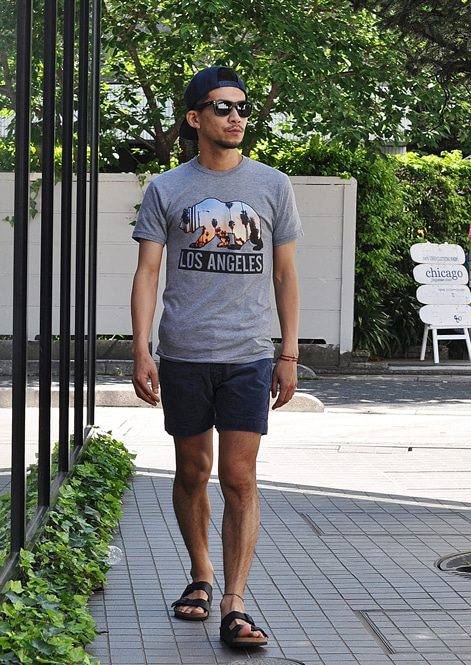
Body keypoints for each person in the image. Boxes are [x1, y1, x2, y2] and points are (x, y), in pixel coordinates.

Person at [130, 65, 303, 649]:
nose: (236, 117)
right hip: (183, 353)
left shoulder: (273, 186)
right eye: (223, 107)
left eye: (243, 107)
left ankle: (234, 601)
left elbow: (285, 274)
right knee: (191, 471)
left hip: (249, 354)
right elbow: (147, 272)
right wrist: (141, 349)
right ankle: (200, 573)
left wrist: (288, 352)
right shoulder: (166, 188)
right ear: (194, 117)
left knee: (238, 476)